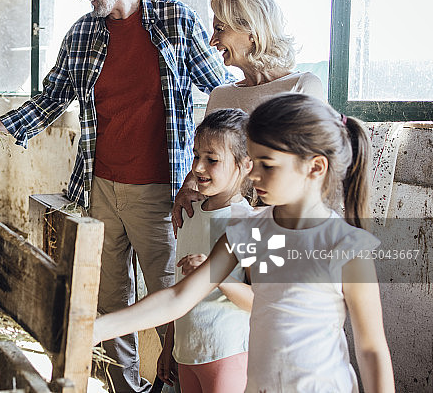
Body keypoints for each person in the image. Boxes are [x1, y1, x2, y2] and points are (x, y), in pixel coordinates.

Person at [0, 0, 233, 392]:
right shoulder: (84, 32)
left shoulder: (174, 21)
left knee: (172, 297)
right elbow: (51, 97)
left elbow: (221, 93)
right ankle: (126, 388)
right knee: (110, 298)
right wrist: (0, 129)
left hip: (160, 193)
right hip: (99, 186)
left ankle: (180, 385)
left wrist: (226, 169)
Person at [93, 93, 395, 393]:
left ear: (314, 168)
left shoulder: (346, 246)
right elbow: (178, 298)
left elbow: (371, 350)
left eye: (268, 165)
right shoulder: (249, 231)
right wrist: (94, 330)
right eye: (252, 161)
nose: (253, 173)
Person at [173, 0, 325, 231]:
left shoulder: (303, 86)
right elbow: (209, 155)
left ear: (252, 32)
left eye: (220, 30)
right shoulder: (220, 95)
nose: (213, 42)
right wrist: (188, 187)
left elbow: (311, 170)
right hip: (227, 225)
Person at [159, 108, 254, 393]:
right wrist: (169, 345)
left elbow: (259, 301)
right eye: (196, 155)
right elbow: (181, 289)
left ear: (245, 165)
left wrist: (214, 275)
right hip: (186, 353)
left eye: (212, 160)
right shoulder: (187, 214)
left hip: (226, 352)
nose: (198, 167)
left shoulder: (247, 222)